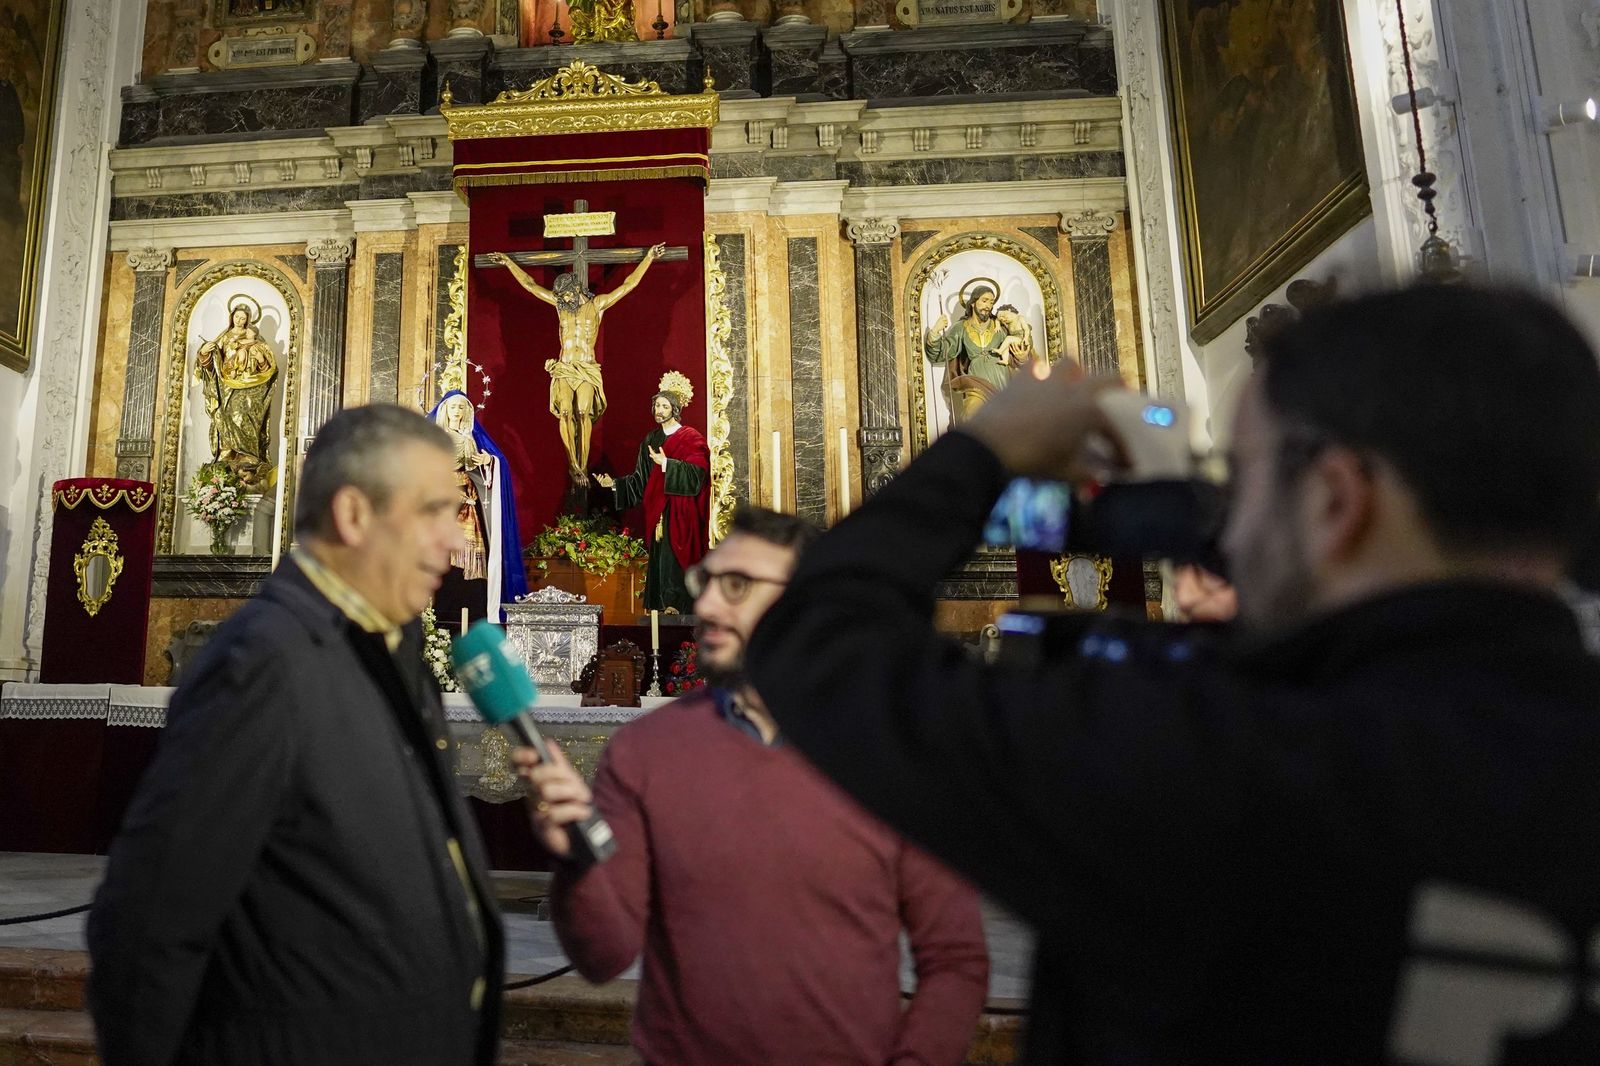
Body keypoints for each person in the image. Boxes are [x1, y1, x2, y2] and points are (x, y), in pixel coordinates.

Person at [745, 284, 1600, 1064]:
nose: (1223, 528)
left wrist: (988, 446)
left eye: (1242, 480)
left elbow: (820, 644)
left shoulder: (1209, 761)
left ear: (1337, 500)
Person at [88, 404, 505, 1066]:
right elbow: (148, 923)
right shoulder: (262, 665)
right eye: (433, 512)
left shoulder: (392, 651)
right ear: (354, 514)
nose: (456, 544)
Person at [514, 506, 989, 1066]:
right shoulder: (646, 751)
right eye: (707, 581)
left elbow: (955, 959)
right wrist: (578, 859)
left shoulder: (891, 757)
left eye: (737, 586)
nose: (708, 605)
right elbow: (602, 958)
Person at [488, 245, 666, 484]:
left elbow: (628, 285)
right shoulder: (561, 308)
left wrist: (648, 258)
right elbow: (530, 285)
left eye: (568, 295)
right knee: (564, 412)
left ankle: (582, 464)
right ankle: (573, 466)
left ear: (576, 287)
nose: (565, 299)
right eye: (562, 297)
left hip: (586, 368)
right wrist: (509, 262)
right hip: (564, 367)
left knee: (583, 412)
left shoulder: (597, 306)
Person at [593, 375, 709, 614]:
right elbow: (641, 479)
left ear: (675, 410)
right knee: (661, 558)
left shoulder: (691, 437)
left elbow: (698, 475)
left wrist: (668, 464)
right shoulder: (651, 439)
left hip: (680, 513)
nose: (659, 410)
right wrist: (613, 484)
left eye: (665, 406)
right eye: (657, 405)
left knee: (674, 558)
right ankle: (662, 606)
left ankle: (678, 604)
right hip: (657, 511)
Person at [428, 389, 528, 627]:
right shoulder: (434, 437)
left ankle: (473, 614)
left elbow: (495, 463)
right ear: (445, 410)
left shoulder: (472, 437)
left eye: (462, 407)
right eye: (453, 407)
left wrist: (489, 462)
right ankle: (439, 615)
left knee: (470, 560)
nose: (457, 412)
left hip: (469, 504)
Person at [194, 297, 279, 488]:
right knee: (224, 415)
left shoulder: (257, 340)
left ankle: (248, 456)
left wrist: (259, 359)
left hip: (251, 388)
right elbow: (213, 365)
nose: (240, 320)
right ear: (231, 317)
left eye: (244, 318)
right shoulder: (224, 337)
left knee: (245, 414)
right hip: (227, 386)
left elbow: (268, 367)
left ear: (249, 320)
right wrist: (205, 353)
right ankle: (227, 454)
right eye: (237, 316)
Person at [925, 283, 1015, 420]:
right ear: (973, 303)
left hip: (1001, 379)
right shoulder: (961, 327)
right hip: (976, 382)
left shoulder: (1000, 326)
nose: (988, 306)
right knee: (970, 415)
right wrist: (935, 332)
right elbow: (944, 351)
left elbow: (1016, 348)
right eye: (984, 301)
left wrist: (1022, 354)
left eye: (991, 302)